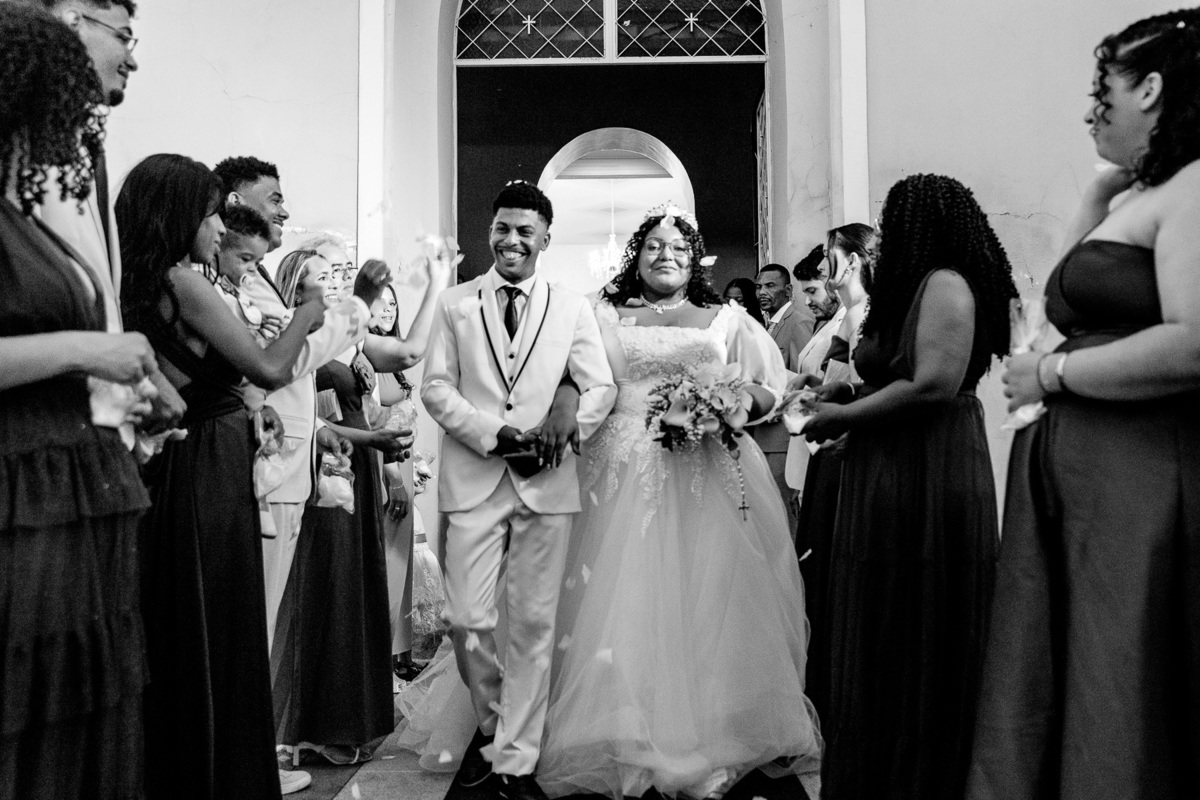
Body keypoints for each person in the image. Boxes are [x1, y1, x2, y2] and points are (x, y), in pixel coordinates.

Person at [967, 11, 1200, 798]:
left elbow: (1192, 343)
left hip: (1140, 483)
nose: (1090, 112)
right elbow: (1056, 306)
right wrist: (1098, 191)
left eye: (1103, 91)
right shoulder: (1137, 194)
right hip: (1083, 485)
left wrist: (1055, 376)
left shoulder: (1195, 188)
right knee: (1064, 671)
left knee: (1118, 669)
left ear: (1152, 87)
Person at [533, 203, 822, 799]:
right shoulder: (602, 312)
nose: (665, 255)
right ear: (635, 256)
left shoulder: (727, 319)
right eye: (653, 246)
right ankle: (616, 719)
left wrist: (730, 404)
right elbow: (573, 373)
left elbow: (769, 385)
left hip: (704, 467)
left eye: (678, 247)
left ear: (695, 260)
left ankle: (706, 724)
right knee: (618, 593)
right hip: (618, 468)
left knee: (704, 591)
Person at [117, 153, 368, 800]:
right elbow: (269, 366)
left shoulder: (138, 281)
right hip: (208, 462)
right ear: (180, 215)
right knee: (223, 619)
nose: (216, 228)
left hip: (185, 458)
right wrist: (310, 314)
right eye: (208, 215)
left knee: (189, 617)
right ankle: (227, 773)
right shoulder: (185, 280)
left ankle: (193, 765)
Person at [803, 174, 1016, 800]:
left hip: (932, 464)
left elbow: (934, 384)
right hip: (891, 462)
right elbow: (894, 377)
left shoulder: (945, 282)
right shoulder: (907, 291)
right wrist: (849, 401)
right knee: (884, 621)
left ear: (924, 223)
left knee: (919, 617)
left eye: (894, 220)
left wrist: (845, 415)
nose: (885, 235)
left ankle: (922, 778)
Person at [0, 7, 156, 797]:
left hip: (72, 478)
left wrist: (125, 382)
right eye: (62, 98)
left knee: (76, 716)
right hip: (22, 485)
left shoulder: (34, 213)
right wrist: (87, 351)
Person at [420, 180, 617, 800]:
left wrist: (567, 429)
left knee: (533, 623)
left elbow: (601, 385)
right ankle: (493, 722)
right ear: (490, 232)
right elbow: (435, 388)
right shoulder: (455, 303)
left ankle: (515, 759)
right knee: (466, 618)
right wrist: (496, 434)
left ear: (545, 239)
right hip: (475, 478)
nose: (512, 240)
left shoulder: (571, 306)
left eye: (525, 231)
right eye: (502, 228)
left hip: (546, 481)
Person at [35, 0, 187, 442]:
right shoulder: (24, 153)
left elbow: (96, 299)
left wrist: (136, 386)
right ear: (72, 22)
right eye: (122, 37)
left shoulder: (85, 149)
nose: (132, 60)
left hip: (91, 428)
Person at [790, 222, 873, 725]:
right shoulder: (846, 317)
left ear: (854, 260)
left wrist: (829, 401)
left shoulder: (866, 314)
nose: (823, 270)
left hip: (848, 447)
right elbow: (834, 379)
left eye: (829, 258)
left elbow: (857, 383)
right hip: (825, 442)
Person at [752, 262, 813, 533]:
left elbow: (805, 380)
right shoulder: (770, 324)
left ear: (788, 290)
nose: (762, 292)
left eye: (770, 286)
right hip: (765, 435)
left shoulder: (797, 322)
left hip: (783, 440)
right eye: (758, 287)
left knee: (786, 515)